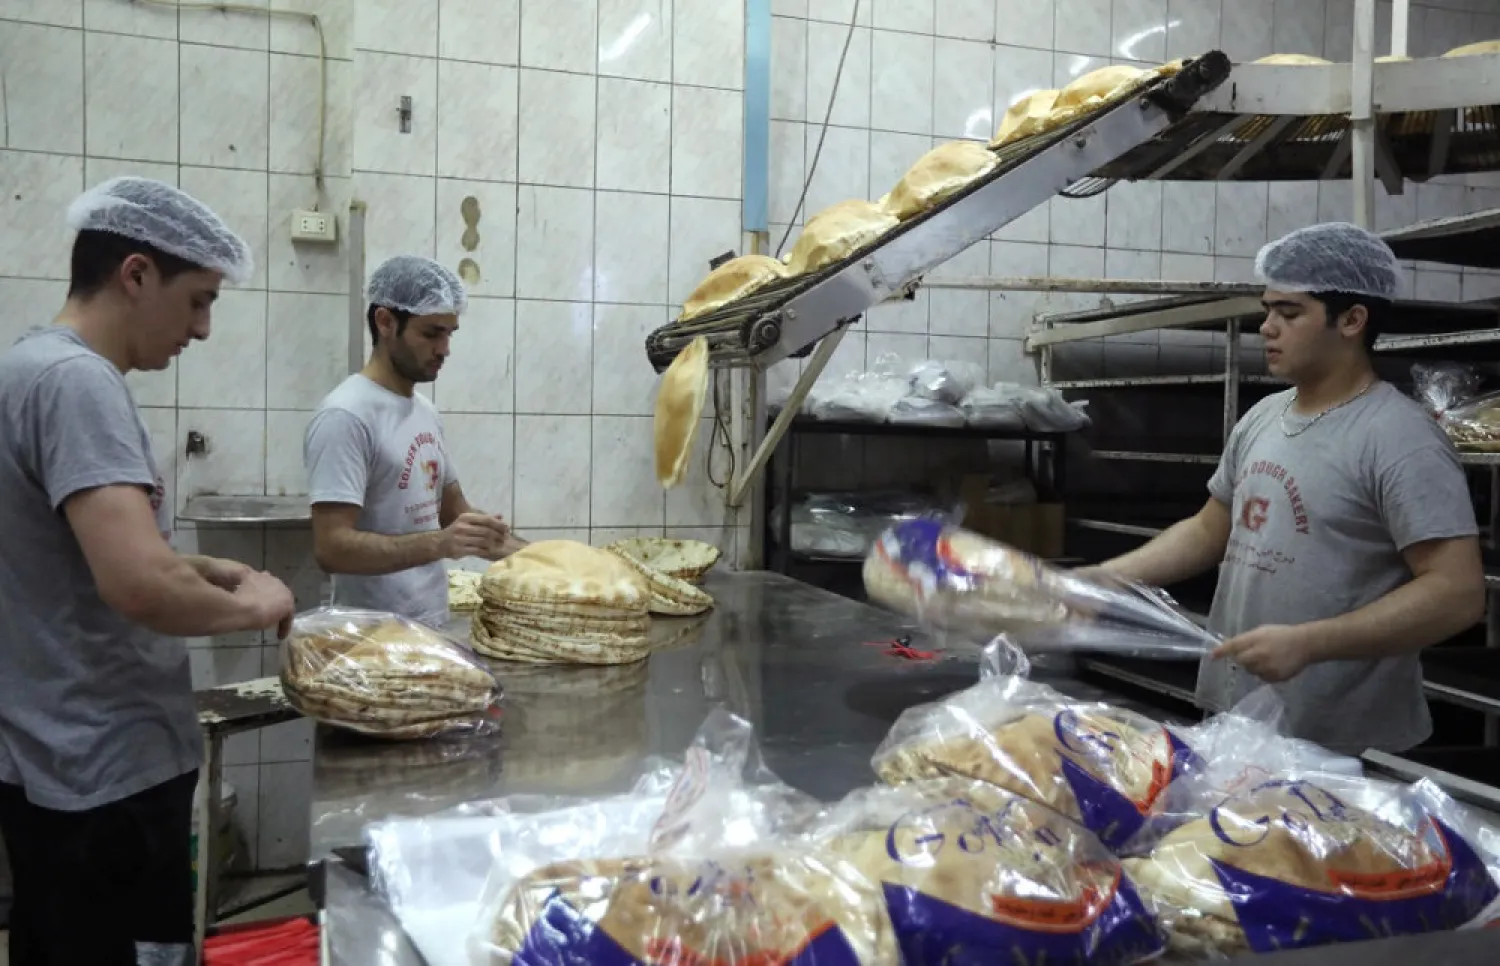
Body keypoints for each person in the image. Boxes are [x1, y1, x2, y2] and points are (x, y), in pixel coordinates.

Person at [0, 177, 298, 964]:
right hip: (105, 771)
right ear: (135, 275)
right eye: (197, 300)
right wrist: (263, 603)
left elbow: (67, 557)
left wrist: (187, 565)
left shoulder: (28, 367)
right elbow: (134, 584)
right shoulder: (77, 383)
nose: (200, 330)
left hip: (53, 759)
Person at [1088, 222, 1485, 755]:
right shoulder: (1265, 416)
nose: (1266, 328)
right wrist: (1107, 577)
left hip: (1341, 744)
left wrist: (1310, 644)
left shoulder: (1399, 438)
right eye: (1267, 309)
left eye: (1289, 312)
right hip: (1239, 718)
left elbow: (1456, 594)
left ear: (1352, 320)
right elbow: (1210, 528)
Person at [305, 255, 524, 628]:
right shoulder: (346, 415)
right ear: (386, 322)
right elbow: (332, 547)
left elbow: (455, 513)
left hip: (430, 625)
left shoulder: (423, 411)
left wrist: (544, 559)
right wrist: (439, 544)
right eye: (431, 333)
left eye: (449, 334)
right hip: (373, 637)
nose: (444, 349)